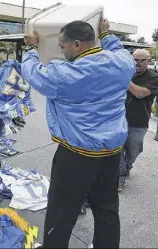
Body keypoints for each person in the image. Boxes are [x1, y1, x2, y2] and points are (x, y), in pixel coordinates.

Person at [23, 18, 135, 248]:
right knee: (107, 211)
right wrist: (106, 34)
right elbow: (117, 49)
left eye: (62, 47)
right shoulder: (123, 64)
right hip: (112, 154)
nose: (62, 53)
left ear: (76, 45)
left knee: (61, 214)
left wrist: (33, 49)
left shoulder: (64, 76)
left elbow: (32, 72)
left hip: (76, 156)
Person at [118, 49, 158, 190]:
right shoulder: (125, 72)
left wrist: (124, 79)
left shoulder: (153, 77)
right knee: (118, 150)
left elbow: (139, 93)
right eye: (135, 59)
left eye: (142, 60)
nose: (138, 63)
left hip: (138, 122)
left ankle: (128, 165)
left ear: (149, 61)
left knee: (134, 150)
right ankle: (119, 177)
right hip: (118, 120)